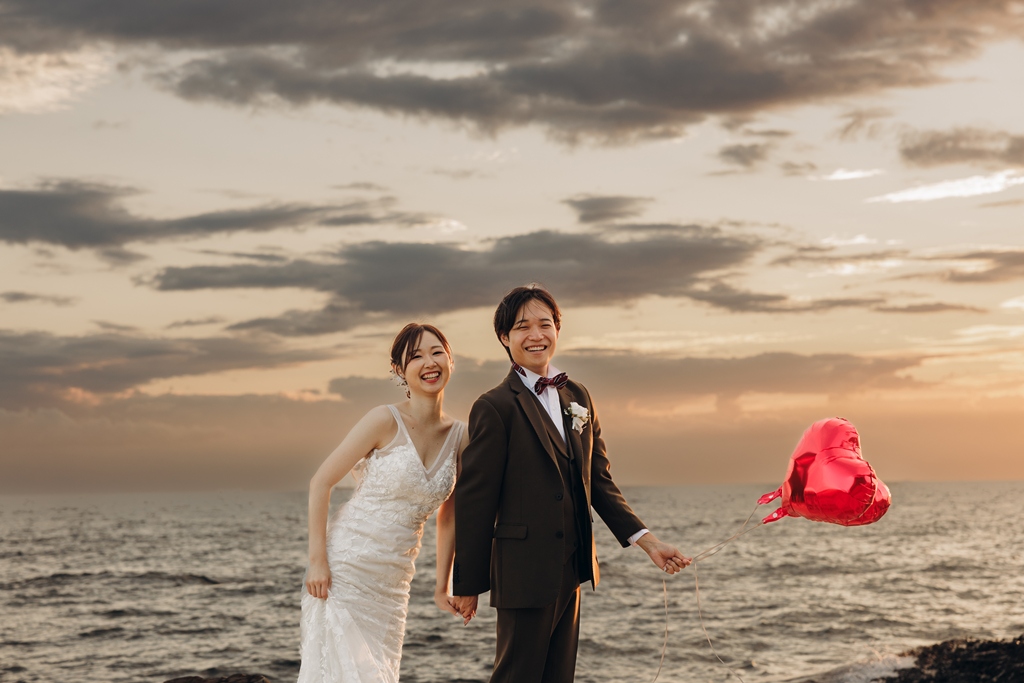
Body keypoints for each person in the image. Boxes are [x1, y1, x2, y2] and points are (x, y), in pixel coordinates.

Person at [449, 284, 691, 683]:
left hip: (572, 568)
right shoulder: (494, 406)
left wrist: (650, 543)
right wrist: (469, 584)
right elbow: (475, 500)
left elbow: (599, 481)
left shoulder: (578, 396)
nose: (536, 335)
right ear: (504, 338)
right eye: (522, 327)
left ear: (557, 330)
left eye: (545, 324)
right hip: (523, 574)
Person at [298, 323, 470, 683]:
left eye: (437, 352)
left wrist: (443, 586)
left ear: (451, 360)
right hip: (346, 569)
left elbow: (449, 517)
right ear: (399, 371)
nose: (429, 362)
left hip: (393, 584)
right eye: (416, 356)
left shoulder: (461, 436)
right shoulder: (383, 419)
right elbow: (321, 482)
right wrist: (317, 561)